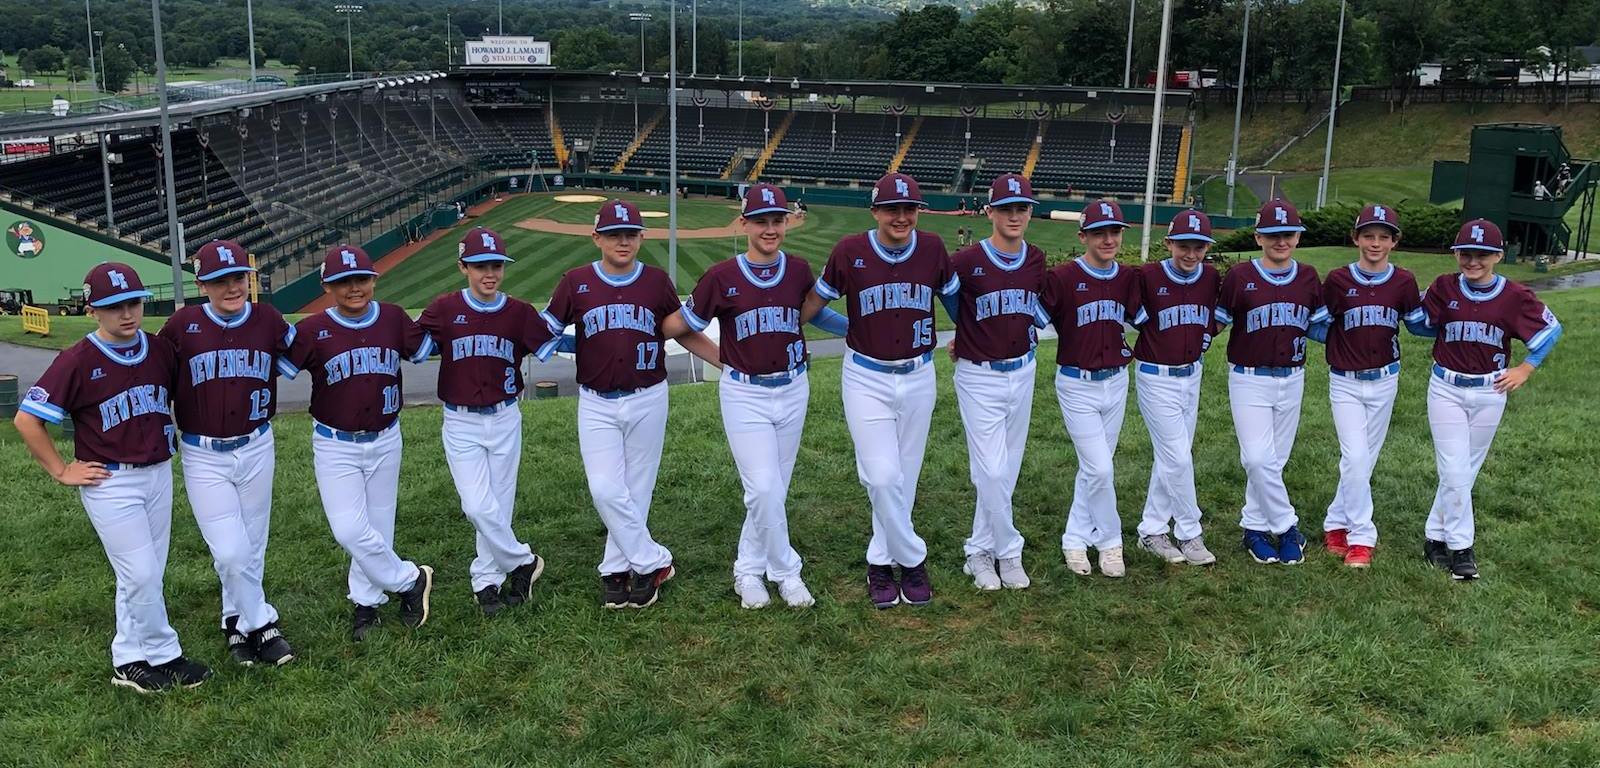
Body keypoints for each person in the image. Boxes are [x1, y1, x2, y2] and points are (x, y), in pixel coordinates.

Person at [14, 264, 212, 692]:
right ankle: (163, 653)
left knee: (142, 573)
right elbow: (27, 419)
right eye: (112, 306)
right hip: (111, 481)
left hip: (158, 471)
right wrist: (62, 470)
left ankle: (128, 658)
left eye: (133, 303)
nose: (126, 313)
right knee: (140, 572)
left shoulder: (160, 350)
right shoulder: (77, 359)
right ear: (92, 311)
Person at [531, 199, 719, 609]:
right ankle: (654, 560)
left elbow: (679, 331)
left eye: (630, 234)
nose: (623, 241)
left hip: (649, 394)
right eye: (614, 234)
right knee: (604, 488)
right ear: (596, 237)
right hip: (596, 400)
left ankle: (616, 570)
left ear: (640, 237)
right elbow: (544, 332)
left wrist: (725, 359)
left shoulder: (655, 281)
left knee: (637, 489)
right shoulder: (575, 281)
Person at [677, 184, 847, 609]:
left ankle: (749, 568)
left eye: (777, 220)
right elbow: (681, 329)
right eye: (761, 221)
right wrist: (723, 361)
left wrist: (859, 329)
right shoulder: (722, 276)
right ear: (745, 223)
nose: (770, 228)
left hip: (793, 387)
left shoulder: (798, 270)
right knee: (765, 488)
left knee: (773, 489)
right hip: (745, 394)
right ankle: (786, 572)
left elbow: (812, 314)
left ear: (787, 222)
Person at [801, 172, 959, 608]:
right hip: (866, 375)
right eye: (893, 209)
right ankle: (909, 560)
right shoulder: (850, 251)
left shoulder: (931, 248)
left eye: (909, 209)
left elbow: (955, 302)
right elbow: (813, 307)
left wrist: (968, 337)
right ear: (876, 212)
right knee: (882, 474)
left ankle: (881, 562)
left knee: (903, 477)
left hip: (919, 373)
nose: (902, 216)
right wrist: (845, 326)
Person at [279, 245, 436, 641]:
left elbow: (424, 350)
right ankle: (409, 580)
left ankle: (366, 604)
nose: (354, 288)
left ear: (374, 280)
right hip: (336, 442)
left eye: (361, 279)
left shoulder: (393, 318)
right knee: (349, 529)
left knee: (378, 527)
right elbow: (275, 366)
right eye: (343, 282)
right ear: (326, 286)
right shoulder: (312, 330)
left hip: (386, 436)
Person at [159, 240, 296, 667]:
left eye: (238, 277)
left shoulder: (269, 320)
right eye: (220, 281)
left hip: (257, 444)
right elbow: (153, 379)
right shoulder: (181, 326)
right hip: (203, 453)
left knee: (252, 544)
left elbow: (303, 355)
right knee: (230, 550)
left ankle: (234, 623)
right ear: (202, 284)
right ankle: (263, 623)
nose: (232, 287)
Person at [1417, 218, 1561, 580]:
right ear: (1456, 254)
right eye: (1465, 253)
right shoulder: (1444, 286)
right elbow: (1420, 322)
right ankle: (1461, 549)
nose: (1472, 261)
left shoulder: (1513, 295)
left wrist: (1525, 369)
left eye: (1482, 254)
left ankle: (1434, 537)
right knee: (1453, 469)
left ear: (1498, 254)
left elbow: (1550, 329)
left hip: (1490, 390)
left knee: (1465, 471)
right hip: (1446, 388)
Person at [416, 227, 548, 617]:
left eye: (495, 265)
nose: (488, 273)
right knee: (476, 505)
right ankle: (522, 561)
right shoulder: (443, 309)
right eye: (479, 266)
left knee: (498, 505)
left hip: (506, 415)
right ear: (463, 267)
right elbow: (415, 346)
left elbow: (552, 342)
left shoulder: (519, 311)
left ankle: (486, 582)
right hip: (461, 420)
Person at [1215, 199, 1329, 566]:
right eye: (1273, 234)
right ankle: (1286, 527)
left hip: (1293, 376)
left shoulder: (1309, 276)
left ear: (1298, 237)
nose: (1281, 241)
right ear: (1259, 236)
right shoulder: (1239, 276)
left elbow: (1321, 327)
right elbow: (1215, 321)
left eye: (1288, 234)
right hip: (1249, 378)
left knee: (1273, 462)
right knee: (1257, 458)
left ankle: (1253, 526)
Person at [947, 173, 1046, 590]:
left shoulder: (1036, 258)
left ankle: (979, 551)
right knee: (988, 470)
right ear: (990, 212)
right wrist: (965, 334)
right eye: (1006, 208)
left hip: (1023, 370)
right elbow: (953, 303)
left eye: (1021, 208)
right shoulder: (966, 260)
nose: (1015, 215)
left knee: (1005, 471)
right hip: (978, 375)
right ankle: (1008, 550)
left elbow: (1032, 310)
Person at [1315, 204, 1428, 568]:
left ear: (1394, 241)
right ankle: (1362, 537)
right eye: (1368, 235)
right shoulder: (1337, 279)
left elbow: (1417, 323)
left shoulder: (1403, 281)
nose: (1375, 243)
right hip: (1345, 381)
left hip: (1385, 379)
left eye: (1383, 236)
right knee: (1356, 457)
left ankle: (1335, 521)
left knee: (1363, 461)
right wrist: (1337, 345)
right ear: (1355, 238)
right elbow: (1317, 324)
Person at [1034, 199, 1140, 578]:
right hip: (1076, 384)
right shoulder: (1062, 277)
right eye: (1099, 233)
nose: (1108, 239)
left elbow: (1148, 320)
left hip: (1116, 380)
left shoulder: (1128, 278)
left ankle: (1075, 538)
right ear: (1083, 237)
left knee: (1094, 470)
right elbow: (1029, 325)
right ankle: (1110, 542)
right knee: (1100, 467)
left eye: (1114, 232)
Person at [1130, 209, 1221, 567]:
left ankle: (1151, 530)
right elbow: (1128, 313)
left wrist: (1205, 336)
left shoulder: (1211, 277)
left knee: (1171, 457)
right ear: (1168, 243)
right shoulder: (1148, 276)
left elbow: (1215, 320)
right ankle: (1189, 532)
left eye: (1199, 247)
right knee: (1179, 457)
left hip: (1192, 375)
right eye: (1184, 245)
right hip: (1156, 376)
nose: (1191, 254)